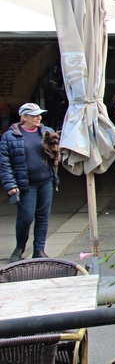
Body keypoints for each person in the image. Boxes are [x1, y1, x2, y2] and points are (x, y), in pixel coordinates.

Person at [0, 103, 61, 262]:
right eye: (35, 115)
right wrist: (10, 185)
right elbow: (4, 163)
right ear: (24, 117)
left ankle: (39, 250)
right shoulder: (10, 136)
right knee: (26, 218)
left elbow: (56, 154)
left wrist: (55, 153)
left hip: (46, 181)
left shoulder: (46, 132)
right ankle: (20, 247)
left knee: (43, 217)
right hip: (25, 184)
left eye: (40, 115)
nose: (39, 118)